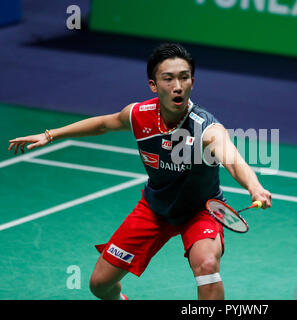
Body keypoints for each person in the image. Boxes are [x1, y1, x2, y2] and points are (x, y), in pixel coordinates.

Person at [8, 43, 272, 300]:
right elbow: (102, 124)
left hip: (202, 210)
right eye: (168, 79)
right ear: (153, 85)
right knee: (100, 284)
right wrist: (50, 134)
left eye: (184, 78)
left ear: (193, 81)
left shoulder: (207, 128)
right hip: (155, 209)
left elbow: (232, 158)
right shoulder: (138, 115)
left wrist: (254, 186)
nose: (177, 86)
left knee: (206, 265)